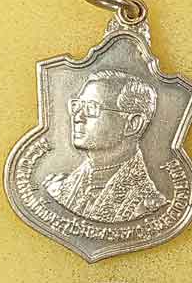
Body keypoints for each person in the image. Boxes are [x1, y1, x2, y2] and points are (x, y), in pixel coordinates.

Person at [43, 69, 168, 223]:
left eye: (91, 108)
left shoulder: (147, 206)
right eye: (77, 106)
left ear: (133, 124)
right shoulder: (58, 189)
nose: (78, 117)